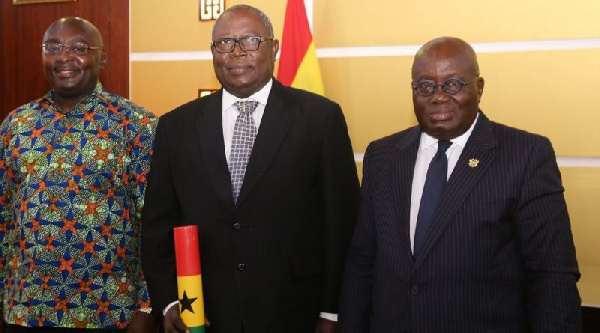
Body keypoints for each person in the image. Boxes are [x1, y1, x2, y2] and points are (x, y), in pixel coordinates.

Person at [141, 4, 360, 333]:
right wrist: (170, 301)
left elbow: (341, 225)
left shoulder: (320, 119)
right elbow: (158, 223)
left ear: (274, 48)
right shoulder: (176, 126)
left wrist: (332, 313)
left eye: (250, 40)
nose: (236, 52)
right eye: (224, 43)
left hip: (295, 310)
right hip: (204, 313)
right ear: (213, 52)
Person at [338, 36, 581, 332]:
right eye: (425, 86)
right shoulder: (382, 156)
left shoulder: (525, 155)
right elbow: (362, 260)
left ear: (479, 87)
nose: (438, 96)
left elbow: (551, 275)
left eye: (453, 84)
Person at [0, 17, 158, 332]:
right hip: (25, 310)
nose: (63, 57)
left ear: (103, 58)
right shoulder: (15, 125)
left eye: (79, 48)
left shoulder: (136, 125)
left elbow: (154, 223)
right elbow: (4, 216)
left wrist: (146, 306)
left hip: (109, 311)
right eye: (53, 48)